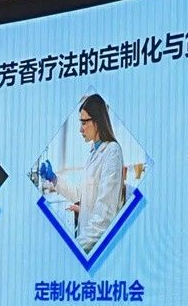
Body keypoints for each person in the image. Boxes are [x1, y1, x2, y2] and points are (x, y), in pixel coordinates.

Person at [39, 94, 125, 253]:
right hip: (86, 238)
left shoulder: (112, 152)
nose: (80, 129)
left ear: (97, 121)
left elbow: (104, 219)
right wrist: (54, 178)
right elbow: (81, 194)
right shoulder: (94, 151)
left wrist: (74, 250)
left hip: (95, 247)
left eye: (84, 122)